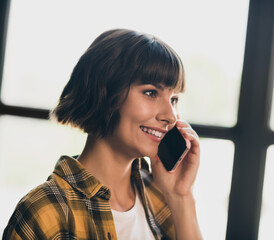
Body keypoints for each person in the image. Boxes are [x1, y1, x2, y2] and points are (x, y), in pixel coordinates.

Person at [3, 29, 202, 240]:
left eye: (174, 99)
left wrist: (181, 196)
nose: (171, 116)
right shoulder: (45, 211)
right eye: (151, 93)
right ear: (105, 93)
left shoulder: (161, 195)